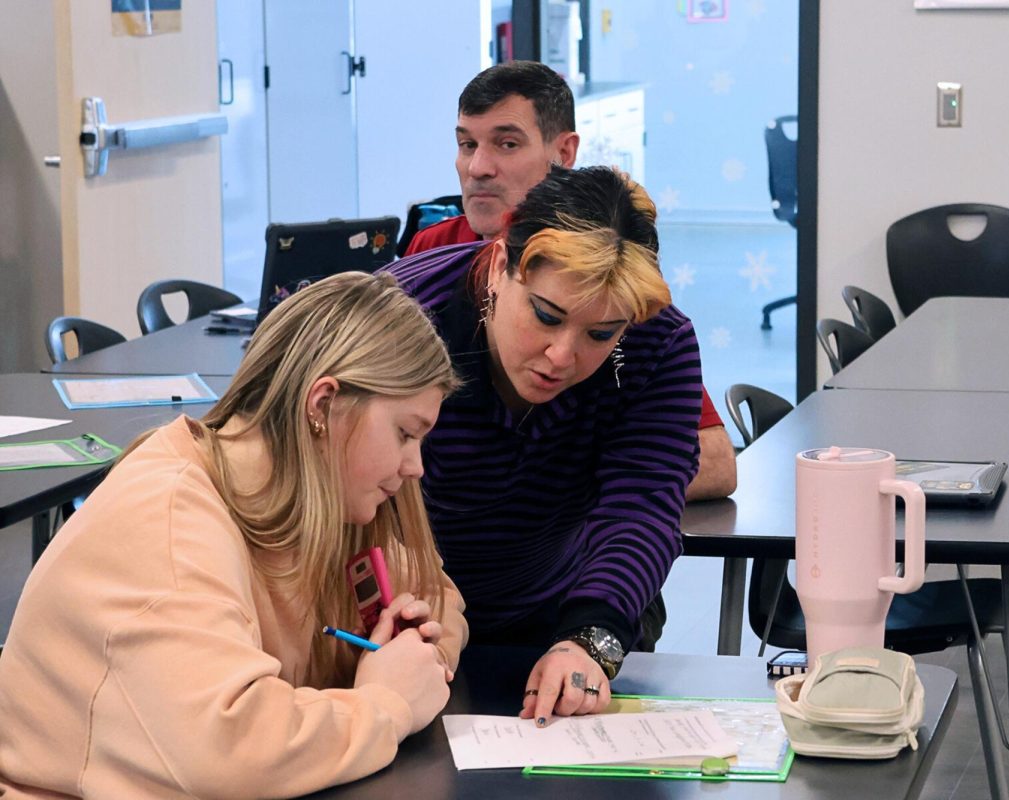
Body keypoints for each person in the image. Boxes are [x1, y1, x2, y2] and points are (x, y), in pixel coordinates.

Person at [0, 273, 466, 799]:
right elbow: (228, 750)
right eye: (405, 433)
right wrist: (384, 705)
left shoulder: (316, 499)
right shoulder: (169, 521)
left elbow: (437, 596)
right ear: (322, 406)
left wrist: (413, 656)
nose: (416, 467)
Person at [383, 165, 699, 727]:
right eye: (546, 316)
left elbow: (642, 504)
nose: (561, 355)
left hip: (555, 604)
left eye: (601, 334)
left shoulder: (655, 343)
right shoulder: (401, 315)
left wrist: (588, 639)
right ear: (503, 263)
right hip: (403, 614)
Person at [405, 60, 736, 502]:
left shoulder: (613, 263)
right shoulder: (430, 254)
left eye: (506, 143)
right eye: (467, 144)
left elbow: (713, 461)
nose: (478, 167)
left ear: (564, 153)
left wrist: (549, 489)